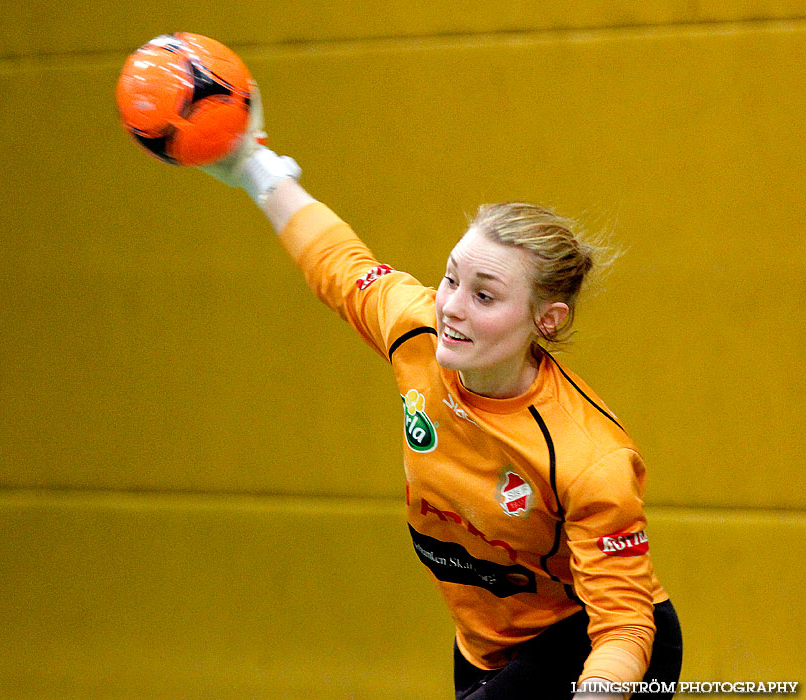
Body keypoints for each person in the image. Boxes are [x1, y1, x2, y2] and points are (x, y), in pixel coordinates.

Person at [199, 89, 682, 699]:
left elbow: (624, 623)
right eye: (452, 277)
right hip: (486, 645)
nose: (451, 306)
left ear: (547, 321)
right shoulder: (416, 328)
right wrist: (252, 165)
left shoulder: (588, 457)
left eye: (484, 295)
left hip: (589, 642)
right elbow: (337, 262)